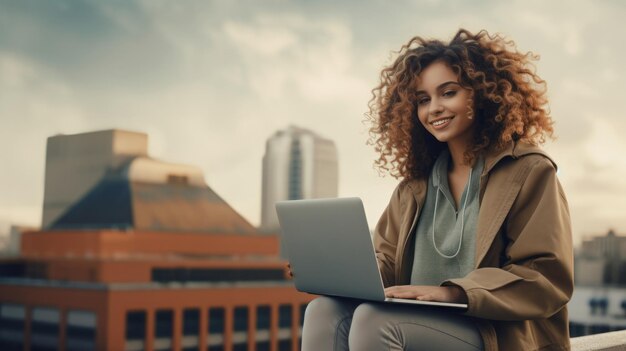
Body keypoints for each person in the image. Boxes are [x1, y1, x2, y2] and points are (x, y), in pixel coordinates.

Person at [289, 28, 573, 351]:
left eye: (448, 93)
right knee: (322, 311)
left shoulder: (529, 171)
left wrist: (455, 293)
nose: (433, 108)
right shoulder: (414, 187)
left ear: (482, 93)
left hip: (494, 333)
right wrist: (331, 269)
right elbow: (386, 264)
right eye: (423, 100)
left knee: (372, 322)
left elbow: (545, 276)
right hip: (417, 321)